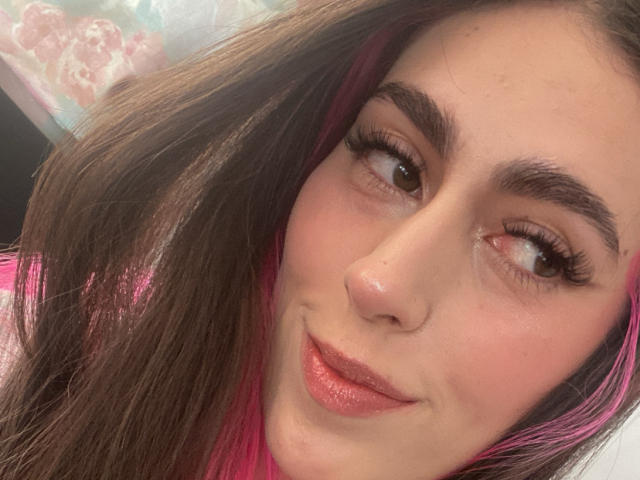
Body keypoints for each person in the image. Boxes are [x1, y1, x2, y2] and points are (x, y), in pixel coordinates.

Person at [0, 0, 639, 479]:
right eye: (396, 165)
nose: (378, 281)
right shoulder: (46, 339)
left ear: (612, 346)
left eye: (535, 252)